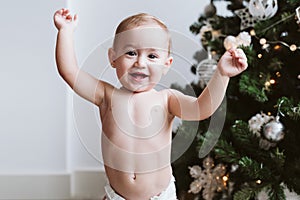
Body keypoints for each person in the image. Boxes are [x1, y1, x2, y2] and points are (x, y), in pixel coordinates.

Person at [53, 8, 248, 200]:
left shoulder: (167, 99)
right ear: (113, 58)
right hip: (118, 196)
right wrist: (65, 31)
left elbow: (201, 109)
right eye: (130, 53)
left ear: (166, 64)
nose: (140, 62)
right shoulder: (106, 96)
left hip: (161, 196)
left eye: (152, 56)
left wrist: (222, 75)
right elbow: (70, 72)